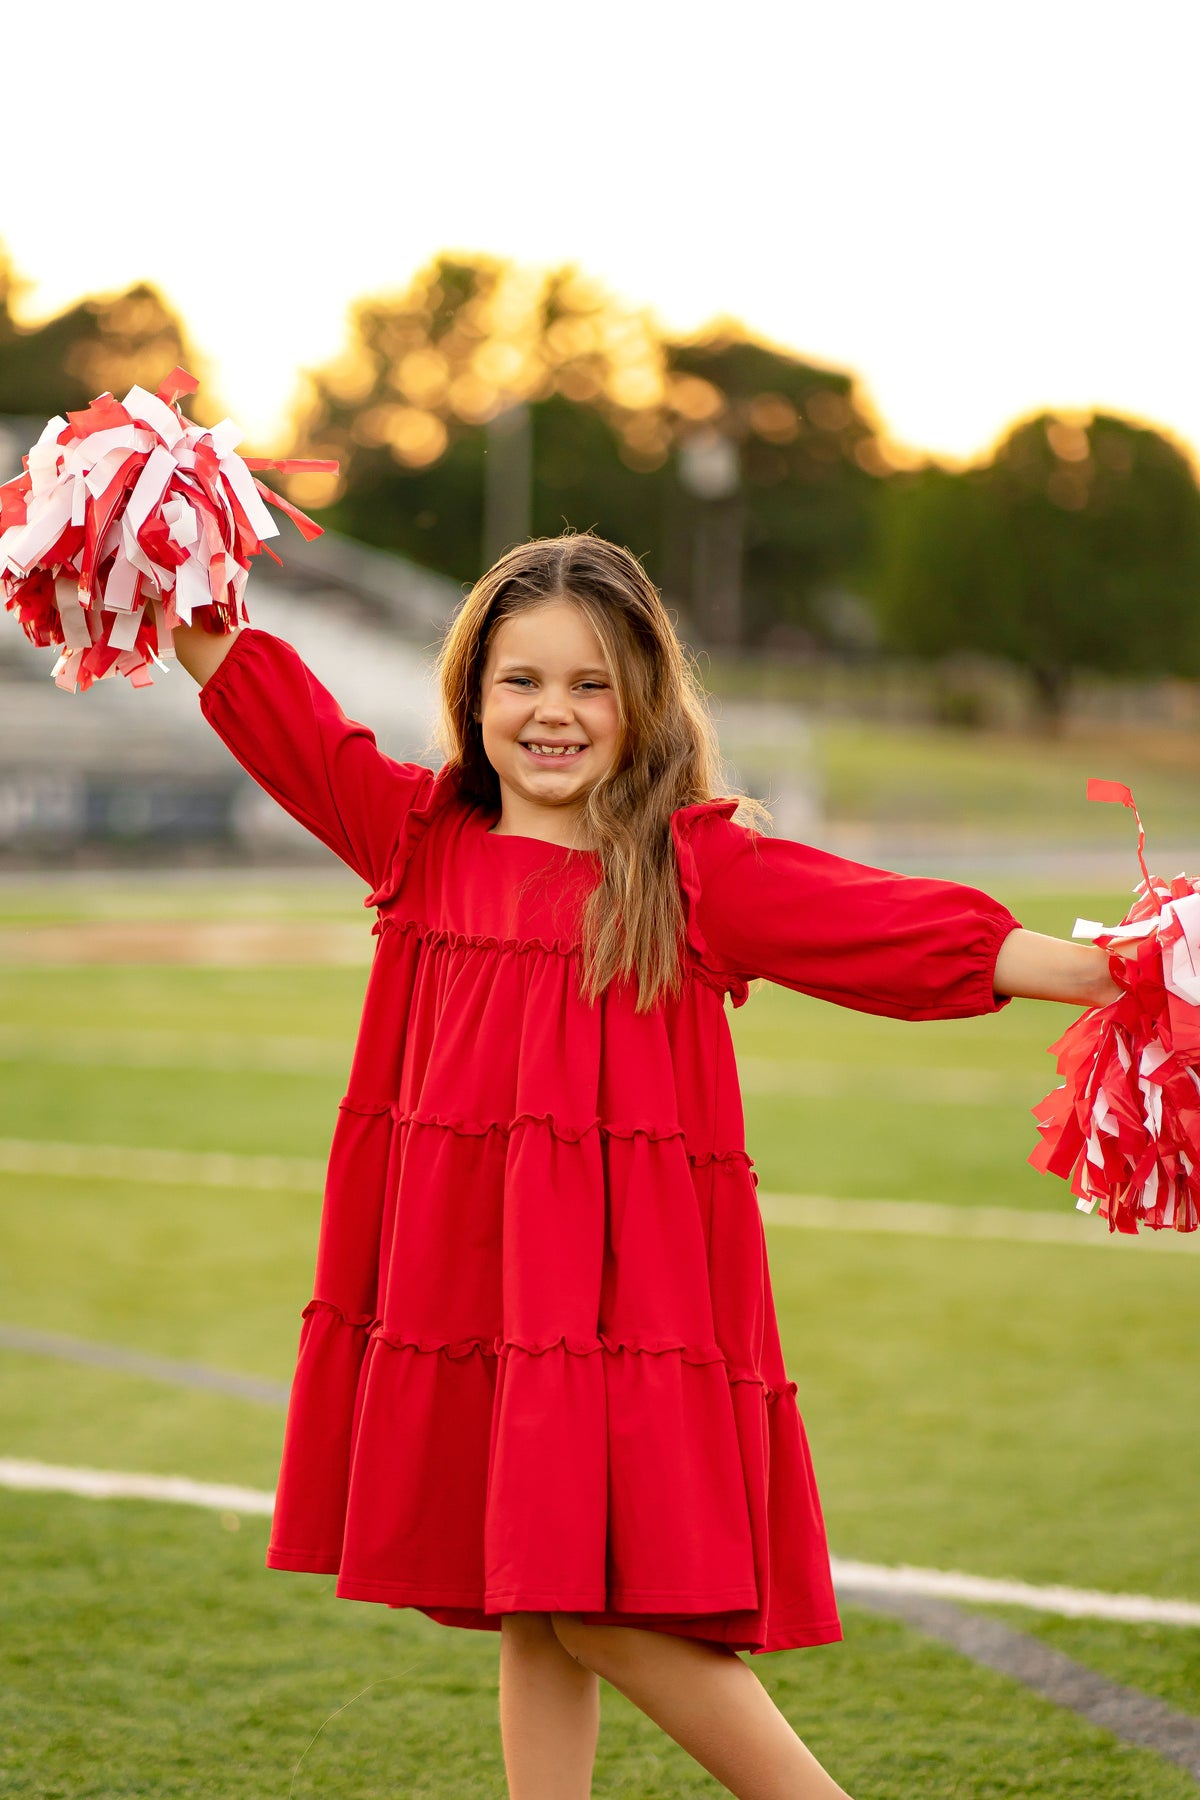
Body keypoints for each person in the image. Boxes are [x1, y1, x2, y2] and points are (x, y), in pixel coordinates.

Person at [173, 532, 1126, 1800]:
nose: (553, 714)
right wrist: (145, 545)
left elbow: (874, 921)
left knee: (605, 1608)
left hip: (628, 1304)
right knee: (534, 1595)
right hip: (481, 1288)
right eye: (520, 681)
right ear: (470, 694)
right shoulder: (416, 835)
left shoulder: (690, 870)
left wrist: (1110, 969)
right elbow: (258, 692)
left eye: (591, 685)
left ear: (644, 705)